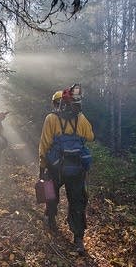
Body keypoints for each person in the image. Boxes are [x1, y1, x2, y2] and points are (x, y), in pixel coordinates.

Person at [38, 85, 94, 254]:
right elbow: (90, 137)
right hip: (76, 169)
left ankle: (51, 220)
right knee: (77, 201)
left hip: (55, 167)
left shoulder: (51, 119)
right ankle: (78, 240)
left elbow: (44, 145)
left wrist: (42, 166)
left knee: (50, 192)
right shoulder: (81, 118)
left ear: (57, 103)